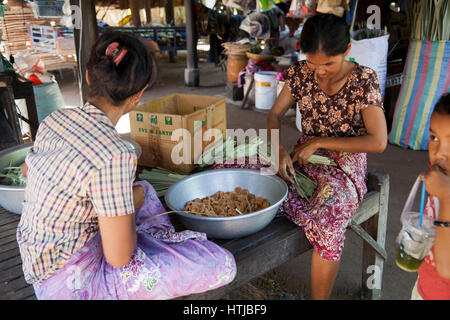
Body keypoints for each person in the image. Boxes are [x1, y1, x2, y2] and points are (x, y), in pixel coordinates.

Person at [17, 31, 236, 300]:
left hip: (39, 260)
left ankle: (142, 232)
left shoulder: (56, 120)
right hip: (71, 285)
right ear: (138, 96)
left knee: (142, 189)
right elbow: (119, 259)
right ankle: (153, 239)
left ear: (87, 76)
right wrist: (117, 214)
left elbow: (29, 171)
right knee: (221, 263)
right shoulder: (115, 154)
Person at [214, 13, 387, 299]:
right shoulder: (298, 74)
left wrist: (319, 141)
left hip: (343, 165)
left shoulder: (363, 80)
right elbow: (273, 115)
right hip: (302, 159)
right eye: (312, 62)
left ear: (346, 51)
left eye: (329, 64)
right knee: (229, 167)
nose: (320, 72)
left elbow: (378, 141)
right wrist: (278, 149)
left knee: (330, 218)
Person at [411, 93, 450, 300]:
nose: (439, 152)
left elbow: (447, 268)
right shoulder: (442, 172)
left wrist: (446, 196)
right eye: (434, 137)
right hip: (424, 288)